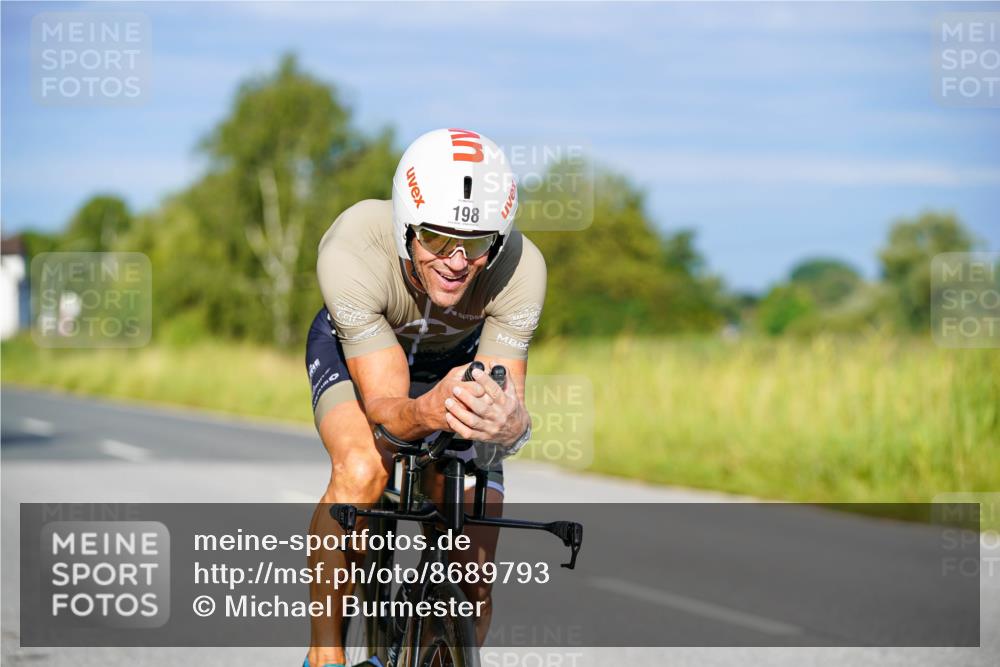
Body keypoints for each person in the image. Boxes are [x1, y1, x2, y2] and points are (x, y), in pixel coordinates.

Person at [303, 128, 545, 667]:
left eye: (477, 243)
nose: (457, 261)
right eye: (436, 239)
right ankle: (324, 655)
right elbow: (387, 408)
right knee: (364, 470)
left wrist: (509, 429)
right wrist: (427, 411)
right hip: (358, 355)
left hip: (453, 363)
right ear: (404, 226)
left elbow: (506, 405)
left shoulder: (521, 268)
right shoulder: (351, 248)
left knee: (476, 568)